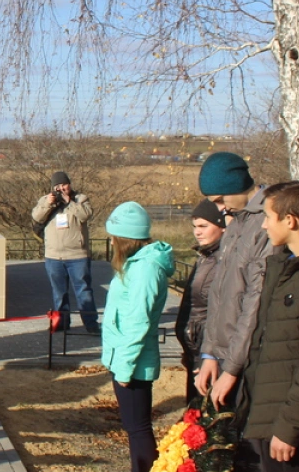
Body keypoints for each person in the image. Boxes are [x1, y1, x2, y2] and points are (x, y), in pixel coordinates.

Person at [238, 182, 299, 471]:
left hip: (294, 428)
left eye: (268, 216)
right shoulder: (281, 266)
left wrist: (290, 425)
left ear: (290, 220)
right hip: (268, 413)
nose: (264, 225)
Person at [195, 152, 275, 413]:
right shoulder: (236, 224)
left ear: (236, 187)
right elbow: (219, 295)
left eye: (221, 200)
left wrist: (232, 367)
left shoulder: (266, 223)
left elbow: (254, 301)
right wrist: (209, 353)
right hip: (223, 356)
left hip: (245, 361)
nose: (220, 209)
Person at [101, 202, 173, 472]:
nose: (110, 242)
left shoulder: (145, 269)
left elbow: (138, 321)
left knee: (138, 429)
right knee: (135, 428)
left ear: (124, 239)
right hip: (126, 359)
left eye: (113, 237)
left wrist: (124, 367)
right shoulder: (137, 264)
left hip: (133, 364)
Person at [31, 171, 98, 333]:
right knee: (59, 293)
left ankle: (91, 325)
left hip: (77, 256)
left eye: (64, 185)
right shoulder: (45, 200)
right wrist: (48, 203)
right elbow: (37, 217)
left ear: (69, 184)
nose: (61, 189)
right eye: (57, 186)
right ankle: (61, 323)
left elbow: (85, 215)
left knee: (83, 291)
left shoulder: (81, 199)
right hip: (54, 257)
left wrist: (69, 201)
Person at [174, 198, 227, 403]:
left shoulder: (223, 259)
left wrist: (208, 354)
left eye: (204, 226)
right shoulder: (206, 256)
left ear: (222, 227)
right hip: (195, 349)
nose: (197, 232)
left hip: (209, 352)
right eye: (195, 226)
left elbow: (220, 311)